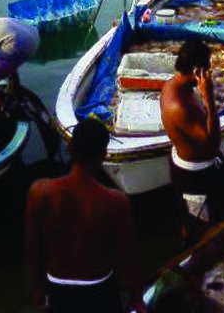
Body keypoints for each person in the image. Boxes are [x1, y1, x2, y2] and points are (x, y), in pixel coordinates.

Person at [25, 117, 146, 313]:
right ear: (103, 155)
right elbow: (128, 258)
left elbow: (33, 250)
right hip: (98, 286)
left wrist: (38, 292)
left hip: (56, 285)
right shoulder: (115, 201)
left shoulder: (39, 192)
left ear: (70, 148)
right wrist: (136, 296)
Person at [160, 40, 222, 242]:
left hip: (189, 166)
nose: (209, 72)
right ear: (197, 70)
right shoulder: (180, 105)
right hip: (194, 177)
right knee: (202, 227)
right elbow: (213, 143)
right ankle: (194, 261)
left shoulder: (173, 84)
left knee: (191, 221)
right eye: (207, 68)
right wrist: (209, 97)